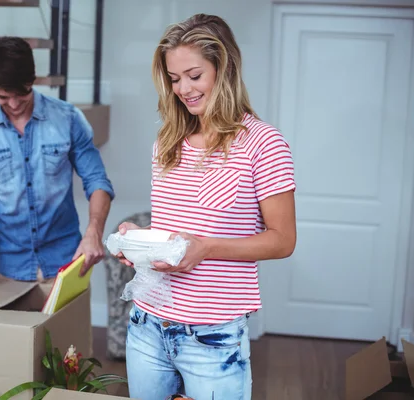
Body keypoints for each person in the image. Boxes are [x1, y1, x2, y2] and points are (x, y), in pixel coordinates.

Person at [116, 14, 296, 400]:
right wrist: (140, 243)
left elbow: (282, 241)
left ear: (223, 68)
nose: (183, 88)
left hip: (212, 335)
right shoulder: (168, 141)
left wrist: (207, 248)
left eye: (194, 75)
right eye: (174, 78)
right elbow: (173, 230)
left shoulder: (263, 144)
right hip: (147, 323)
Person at [0, 37, 114, 296]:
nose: (14, 105)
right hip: (7, 272)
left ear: (33, 81)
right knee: (12, 339)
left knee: (66, 339)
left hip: (67, 266)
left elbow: (97, 181)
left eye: (22, 94)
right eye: (3, 97)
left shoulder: (69, 119)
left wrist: (94, 232)